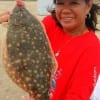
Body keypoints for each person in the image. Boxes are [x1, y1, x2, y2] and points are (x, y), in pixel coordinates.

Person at [0, 0, 100, 99]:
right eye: (60, 3)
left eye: (73, 3)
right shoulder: (50, 23)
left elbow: (77, 96)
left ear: (88, 6)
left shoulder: (93, 48)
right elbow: (25, 40)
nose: (65, 10)